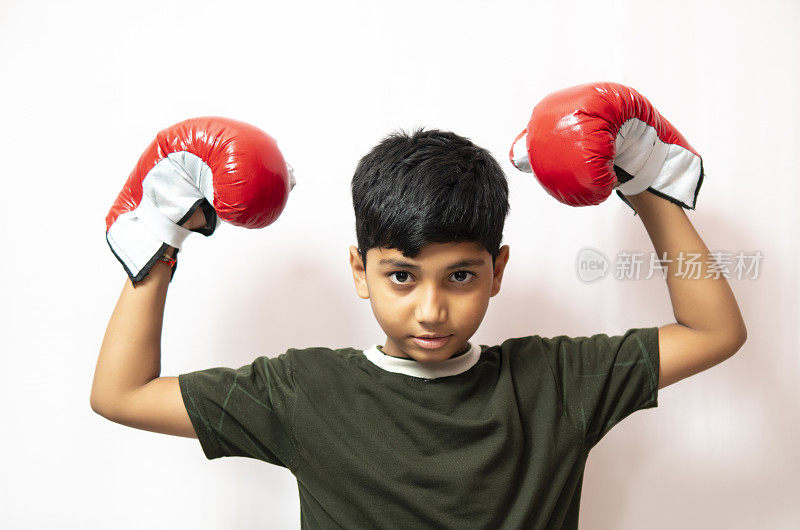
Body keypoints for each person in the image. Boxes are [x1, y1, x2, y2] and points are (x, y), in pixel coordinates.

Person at [91, 126, 746, 529]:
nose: (431, 310)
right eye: (402, 277)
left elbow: (713, 330)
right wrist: (159, 236)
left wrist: (650, 187)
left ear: (497, 271)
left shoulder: (555, 381)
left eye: (459, 277)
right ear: (360, 270)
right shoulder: (303, 391)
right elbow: (121, 394)